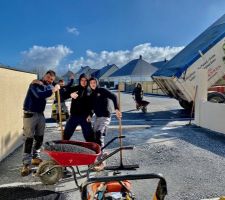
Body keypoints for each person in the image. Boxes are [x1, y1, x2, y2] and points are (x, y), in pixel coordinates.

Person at [21, 70, 60, 176]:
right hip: (30, 114)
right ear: (44, 76)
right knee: (29, 138)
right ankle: (26, 164)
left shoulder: (48, 85)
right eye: (48, 77)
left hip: (40, 114)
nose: (49, 80)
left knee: (39, 137)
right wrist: (53, 89)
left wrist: (56, 85)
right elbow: (39, 95)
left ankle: (35, 157)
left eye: (51, 79)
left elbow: (53, 85)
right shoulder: (35, 84)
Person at [89, 77, 122, 151]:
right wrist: (90, 116)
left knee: (99, 134)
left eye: (94, 82)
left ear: (97, 83)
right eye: (91, 83)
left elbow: (114, 96)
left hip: (105, 116)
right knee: (94, 136)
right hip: (97, 117)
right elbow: (92, 108)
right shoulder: (91, 95)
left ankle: (102, 158)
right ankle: (98, 155)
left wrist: (117, 109)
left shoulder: (102, 90)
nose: (92, 84)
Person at [63, 73, 94, 142]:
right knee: (67, 133)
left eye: (85, 80)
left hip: (85, 117)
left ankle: (91, 149)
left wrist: (90, 114)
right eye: (82, 80)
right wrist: (70, 95)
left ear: (87, 81)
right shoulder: (75, 88)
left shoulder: (90, 90)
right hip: (74, 116)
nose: (83, 82)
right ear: (79, 80)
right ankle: (63, 147)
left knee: (89, 135)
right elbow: (63, 95)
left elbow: (93, 104)